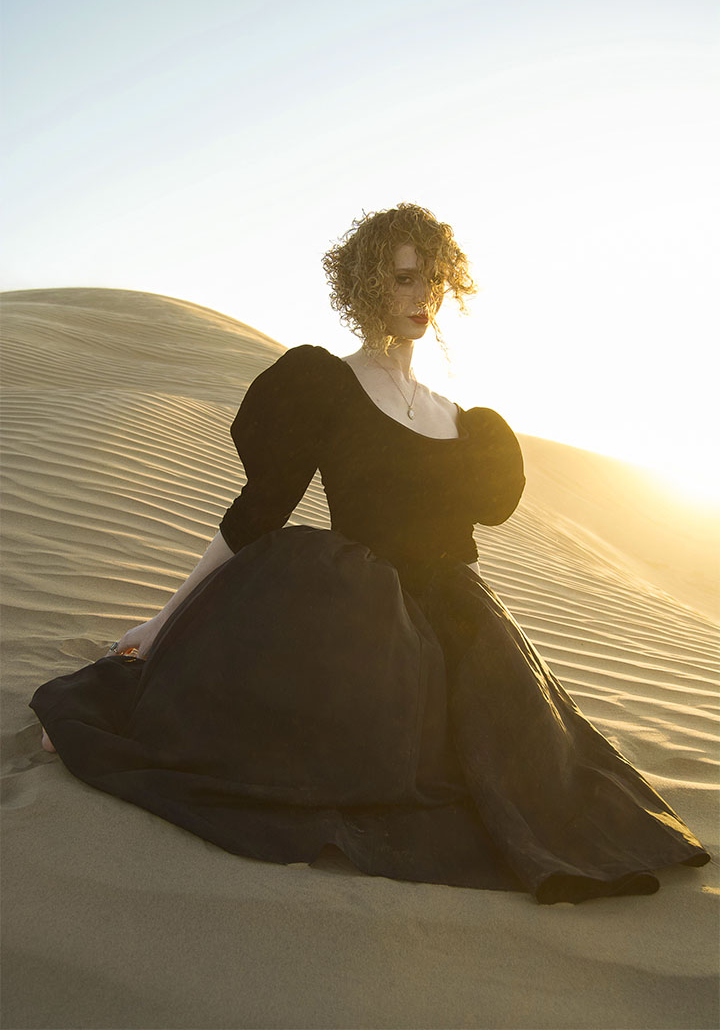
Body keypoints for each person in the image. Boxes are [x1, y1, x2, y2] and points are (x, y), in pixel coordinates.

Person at [31, 203, 709, 904]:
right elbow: (256, 515)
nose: (422, 298)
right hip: (352, 616)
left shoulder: (464, 421)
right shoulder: (324, 385)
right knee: (273, 751)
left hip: (456, 625)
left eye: (434, 282)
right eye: (403, 280)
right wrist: (164, 619)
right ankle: (114, 735)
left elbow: (476, 523)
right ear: (363, 285)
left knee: (530, 778)